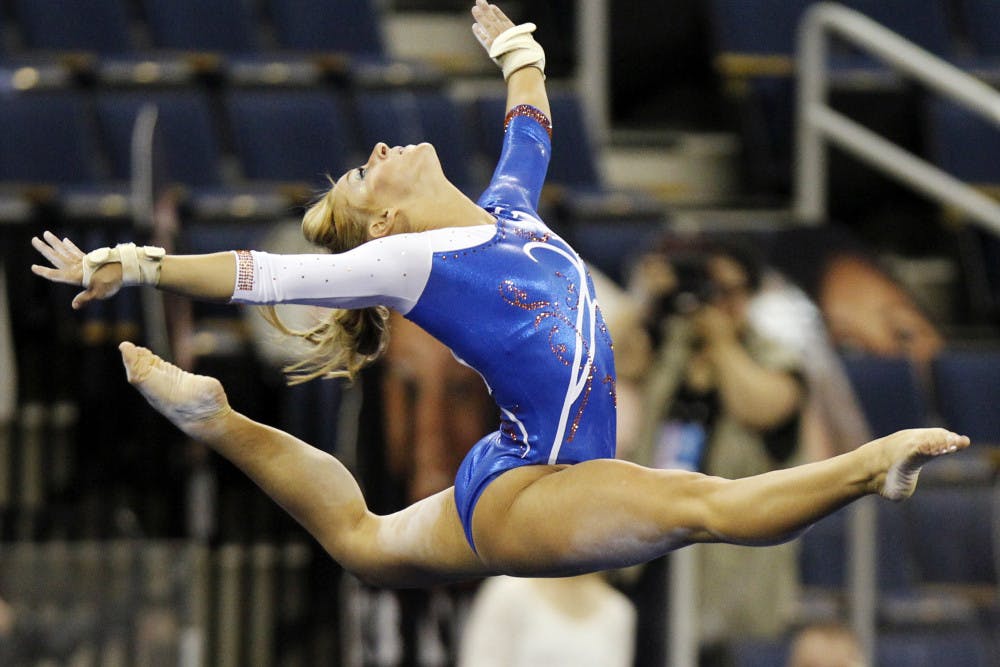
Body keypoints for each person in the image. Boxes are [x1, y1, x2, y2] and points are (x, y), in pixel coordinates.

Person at [31, 1, 970, 588]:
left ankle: (215, 420)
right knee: (704, 507)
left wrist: (519, 54)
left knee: (360, 540)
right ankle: (869, 463)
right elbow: (263, 275)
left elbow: (530, 130)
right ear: (387, 227)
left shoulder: (507, 213)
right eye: (368, 179)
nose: (376, 155)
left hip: (518, 470)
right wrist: (139, 264)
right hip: (541, 482)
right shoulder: (411, 266)